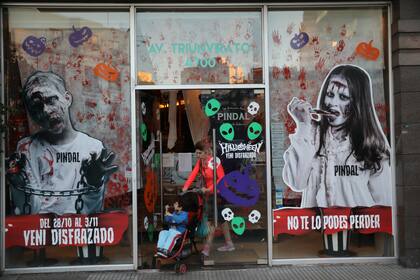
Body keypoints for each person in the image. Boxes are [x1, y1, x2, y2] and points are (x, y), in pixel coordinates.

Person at [6, 70, 118, 263]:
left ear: (67, 98)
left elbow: (92, 209)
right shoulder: (28, 148)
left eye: (51, 100)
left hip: (78, 229)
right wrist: (18, 183)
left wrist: (94, 182)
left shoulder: (92, 148)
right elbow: (30, 209)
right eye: (37, 107)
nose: (46, 111)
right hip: (44, 232)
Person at [282, 64, 392, 208]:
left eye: (343, 97)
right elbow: (296, 182)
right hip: (316, 230)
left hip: (355, 230)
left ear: (358, 104)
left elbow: (384, 206)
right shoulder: (309, 137)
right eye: (330, 94)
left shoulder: (372, 148)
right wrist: (303, 125)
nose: (332, 103)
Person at [182, 139, 235, 257]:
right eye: (196, 153)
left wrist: (209, 188)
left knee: (212, 220)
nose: (197, 155)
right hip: (211, 193)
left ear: (206, 152)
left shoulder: (214, 162)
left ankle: (207, 248)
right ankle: (229, 244)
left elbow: (222, 179)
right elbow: (193, 173)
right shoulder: (200, 162)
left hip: (220, 192)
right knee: (221, 219)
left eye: (199, 153)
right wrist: (185, 187)